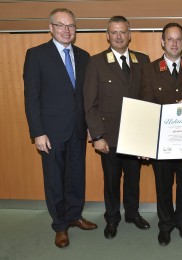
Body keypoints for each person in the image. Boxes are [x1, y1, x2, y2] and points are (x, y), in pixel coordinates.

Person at [23, 8, 97, 248]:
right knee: (55, 179)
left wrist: (89, 125)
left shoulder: (84, 56)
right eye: (61, 25)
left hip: (77, 128)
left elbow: (86, 96)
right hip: (50, 132)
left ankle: (75, 215)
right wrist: (37, 132)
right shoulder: (36, 55)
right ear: (51, 28)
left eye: (71, 26)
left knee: (76, 177)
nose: (67, 30)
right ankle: (60, 225)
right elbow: (31, 97)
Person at [83, 16, 151, 239]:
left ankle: (132, 213)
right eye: (114, 32)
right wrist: (97, 136)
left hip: (135, 136)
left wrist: (146, 137)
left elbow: (147, 98)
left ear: (130, 35)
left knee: (133, 179)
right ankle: (112, 218)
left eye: (123, 32)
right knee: (111, 181)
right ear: (107, 35)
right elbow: (90, 103)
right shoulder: (96, 62)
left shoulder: (142, 60)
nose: (119, 36)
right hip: (109, 136)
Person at [141, 22, 182, 246]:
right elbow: (146, 106)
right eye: (170, 39)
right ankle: (166, 224)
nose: (174, 43)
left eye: (178, 39)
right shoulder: (149, 69)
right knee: (163, 184)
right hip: (162, 140)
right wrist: (146, 142)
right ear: (162, 42)